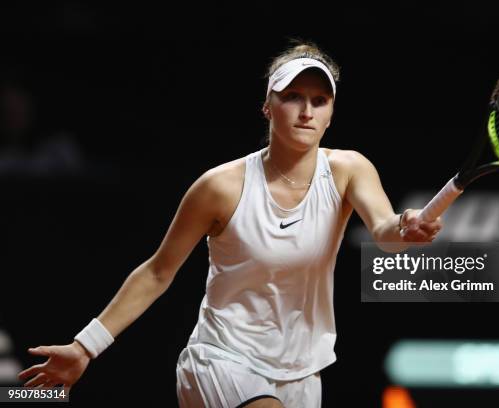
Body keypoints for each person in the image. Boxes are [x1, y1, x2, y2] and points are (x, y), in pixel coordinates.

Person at [18, 42, 442, 408]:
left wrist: (406, 227)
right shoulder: (220, 187)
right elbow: (158, 270)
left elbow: (386, 232)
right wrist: (85, 346)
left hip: (302, 370)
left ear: (331, 113)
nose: (306, 111)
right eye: (293, 96)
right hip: (223, 358)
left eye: (319, 100)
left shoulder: (349, 169)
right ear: (267, 106)